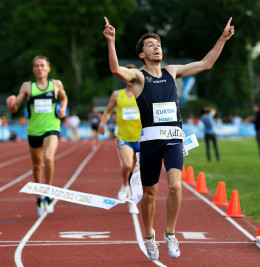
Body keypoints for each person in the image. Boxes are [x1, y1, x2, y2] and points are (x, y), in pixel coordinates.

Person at [103, 16, 234, 260]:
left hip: (174, 139)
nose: (156, 47)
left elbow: (206, 63)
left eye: (158, 44)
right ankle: (150, 236)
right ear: (142, 54)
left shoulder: (172, 72)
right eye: (150, 45)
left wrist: (222, 38)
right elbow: (115, 69)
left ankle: (170, 233)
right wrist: (111, 41)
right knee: (150, 194)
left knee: (175, 186)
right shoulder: (139, 77)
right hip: (150, 142)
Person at [6, 55, 68, 216]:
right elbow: (15, 108)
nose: (39, 68)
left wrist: (63, 108)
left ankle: (48, 193)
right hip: (34, 131)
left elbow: (63, 97)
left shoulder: (56, 84)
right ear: (34, 70)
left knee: (48, 158)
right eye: (36, 66)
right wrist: (12, 104)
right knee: (36, 165)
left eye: (42, 65)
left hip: (52, 127)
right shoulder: (27, 87)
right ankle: (39, 196)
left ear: (48, 69)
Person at [98, 64, 142, 215]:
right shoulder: (117, 94)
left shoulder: (142, 92)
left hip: (141, 138)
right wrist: (102, 123)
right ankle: (124, 185)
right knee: (127, 166)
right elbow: (108, 110)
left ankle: (133, 203)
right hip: (124, 137)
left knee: (137, 174)